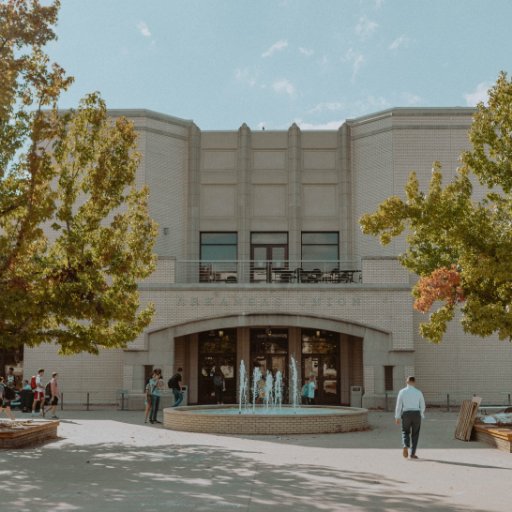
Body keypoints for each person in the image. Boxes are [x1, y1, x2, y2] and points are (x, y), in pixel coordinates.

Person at [395, 376, 426, 459]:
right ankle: (412, 453)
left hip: (406, 414)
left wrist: (397, 417)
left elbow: (399, 405)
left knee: (405, 431)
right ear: (414, 382)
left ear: (407, 382)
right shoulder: (418, 392)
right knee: (415, 434)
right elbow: (422, 405)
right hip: (416, 414)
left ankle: (405, 445)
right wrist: (421, 414)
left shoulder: (402, 392)